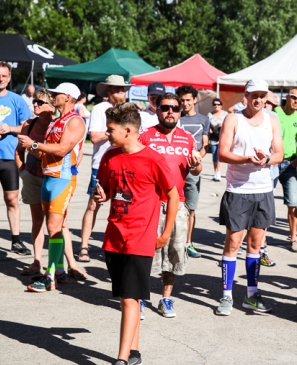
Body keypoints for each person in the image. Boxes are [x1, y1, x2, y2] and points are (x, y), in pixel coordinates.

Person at [93, 102, 178, 365]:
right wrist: (100, 196)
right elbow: (105, 188)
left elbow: (173, 195)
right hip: (113, 237)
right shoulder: (110, 156)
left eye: (111, 130)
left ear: (128, 131)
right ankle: (135, 353)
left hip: (140, 239)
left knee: (129, 299)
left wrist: (165, 234)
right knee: (127, 297)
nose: (107, 134)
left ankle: (120, 364)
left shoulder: (153, 159)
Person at [215, 79, 283, 316]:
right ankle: (226, 295)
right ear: (246, 95)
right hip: (238, 190)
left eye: (262, 95)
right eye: (254, 94)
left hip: (263, 190)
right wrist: (246, 159)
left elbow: (280, 154)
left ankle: (252, 294)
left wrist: (265, 160)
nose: (258, 99)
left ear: (267, 97)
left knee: (255, 245)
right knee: (233, 244)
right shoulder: (233, 119)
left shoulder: (272, 120)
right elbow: (222, 153)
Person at [16, 83, 86, 292]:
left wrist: (34, 145)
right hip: (48, 177)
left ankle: (49, 276)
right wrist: (33, 153)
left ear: (67, 97)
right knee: (52, 225)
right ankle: (61, 270)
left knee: (54, 228)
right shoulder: (58, 121)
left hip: (62, 179)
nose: (52, 96)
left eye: (56, 94)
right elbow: (48, 152)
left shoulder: (74, 120)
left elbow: (63, 149)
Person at [139, 93, 202, 318]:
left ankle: (166, 299)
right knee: (146, 253)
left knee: (174, 254)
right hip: (150, 204)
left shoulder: (187, 138)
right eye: (165, 107)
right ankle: (140, 298)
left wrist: (196, 166)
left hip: (178, 205)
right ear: (157, 110)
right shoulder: (145, 136)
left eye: (175, 108)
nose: (170, 112)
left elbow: (195, 170)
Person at [77, 75, 132, 263]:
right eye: (117, 89)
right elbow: (93, 136)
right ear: (108, 90)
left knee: (123, 208)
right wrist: (115, 132)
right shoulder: (100, 108)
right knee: (94, 205)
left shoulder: (129, 110)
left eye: (123, 89)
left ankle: (120, 247)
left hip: (125, 165)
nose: (121, 92)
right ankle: (84, 246)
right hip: (101, 164)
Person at [0, 62, 33, 255]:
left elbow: (27, 126)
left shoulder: (17, 100)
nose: (0, 79)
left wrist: (11, 128)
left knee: (12, 199)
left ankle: (16, 240)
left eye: (4, 76)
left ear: (9, 77)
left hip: (8, 156)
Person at [177, 85, 209, 259]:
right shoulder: (174, 117)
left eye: (188, 100)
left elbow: (205, 145)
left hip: (193, 168)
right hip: (174, 167)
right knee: (171, 205)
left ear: (195, 100)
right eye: (182, 100)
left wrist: (198, 156)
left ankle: (188, 243)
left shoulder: (203, 120)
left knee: (191, 208)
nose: (185, 103)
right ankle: (172, 240)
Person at [276, 87, 297, 253]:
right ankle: (262, 239)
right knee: (265, 201)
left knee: (294, 203)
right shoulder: (274, 113)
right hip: (273, 163)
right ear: (287, 97)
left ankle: (294, 238)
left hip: (289, 164)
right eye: (294, 98)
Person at [208, 98, 228, 181]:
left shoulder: (225, 114)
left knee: (219, 155)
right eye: (215, 104)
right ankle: (215, 172)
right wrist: (209, 129)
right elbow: (207, 123)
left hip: (222, 137)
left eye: (218, 104)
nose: (216, 106)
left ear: (221, 105)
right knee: (214, 154)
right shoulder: (209, 114)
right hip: (213, 137)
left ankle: (219, 173)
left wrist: (223, 125)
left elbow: (229, 124)